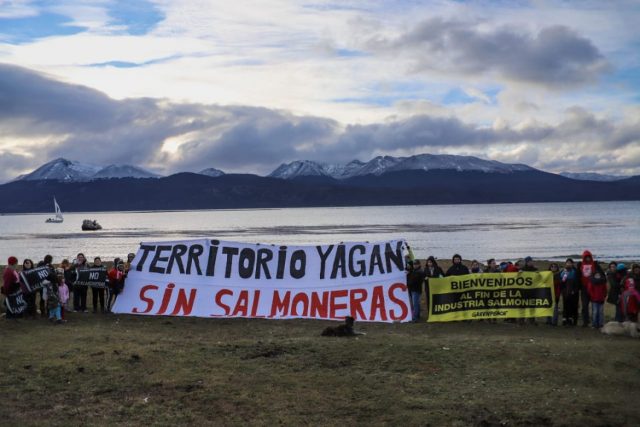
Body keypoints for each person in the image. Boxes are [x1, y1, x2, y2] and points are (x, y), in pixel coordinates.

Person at [576, 250, 604, 327]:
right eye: (586, 257)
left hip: (594, 288)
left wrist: (599, 283)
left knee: (595, 306)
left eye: (589, 257)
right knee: (585, 305)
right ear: (583, 258)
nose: (587, 258)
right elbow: (577, 276)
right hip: (584, 288)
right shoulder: (580, 265)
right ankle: (586, 321)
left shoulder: (595, 264)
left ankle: (596, 322)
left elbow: (602, 275)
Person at [423, 256, 444, 320]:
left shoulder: (438, 268)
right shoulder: (426, 269)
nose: (429, 263)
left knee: (437, 301)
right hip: (428, 288)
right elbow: (423, 277)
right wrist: (425, 278)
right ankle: (430, 315)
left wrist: (439, 277)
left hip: (437, 288)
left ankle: (438, 314)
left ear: (433, 262)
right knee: (429, 301)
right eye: (428, 262)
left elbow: (442, 276)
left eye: (430, 262)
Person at [560, 258, 580, 326]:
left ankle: (572, 321)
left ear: (572, 264)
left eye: (570, 263)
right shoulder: (563, 271)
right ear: (565, 264)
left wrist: (575, 290)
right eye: (567, 263)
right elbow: (562, 282)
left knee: (573, 306)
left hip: (573, 292)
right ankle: (565, 320)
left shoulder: (575, 271)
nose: (569, 264)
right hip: (565, 292)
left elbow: (578, 282)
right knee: (565, 306)